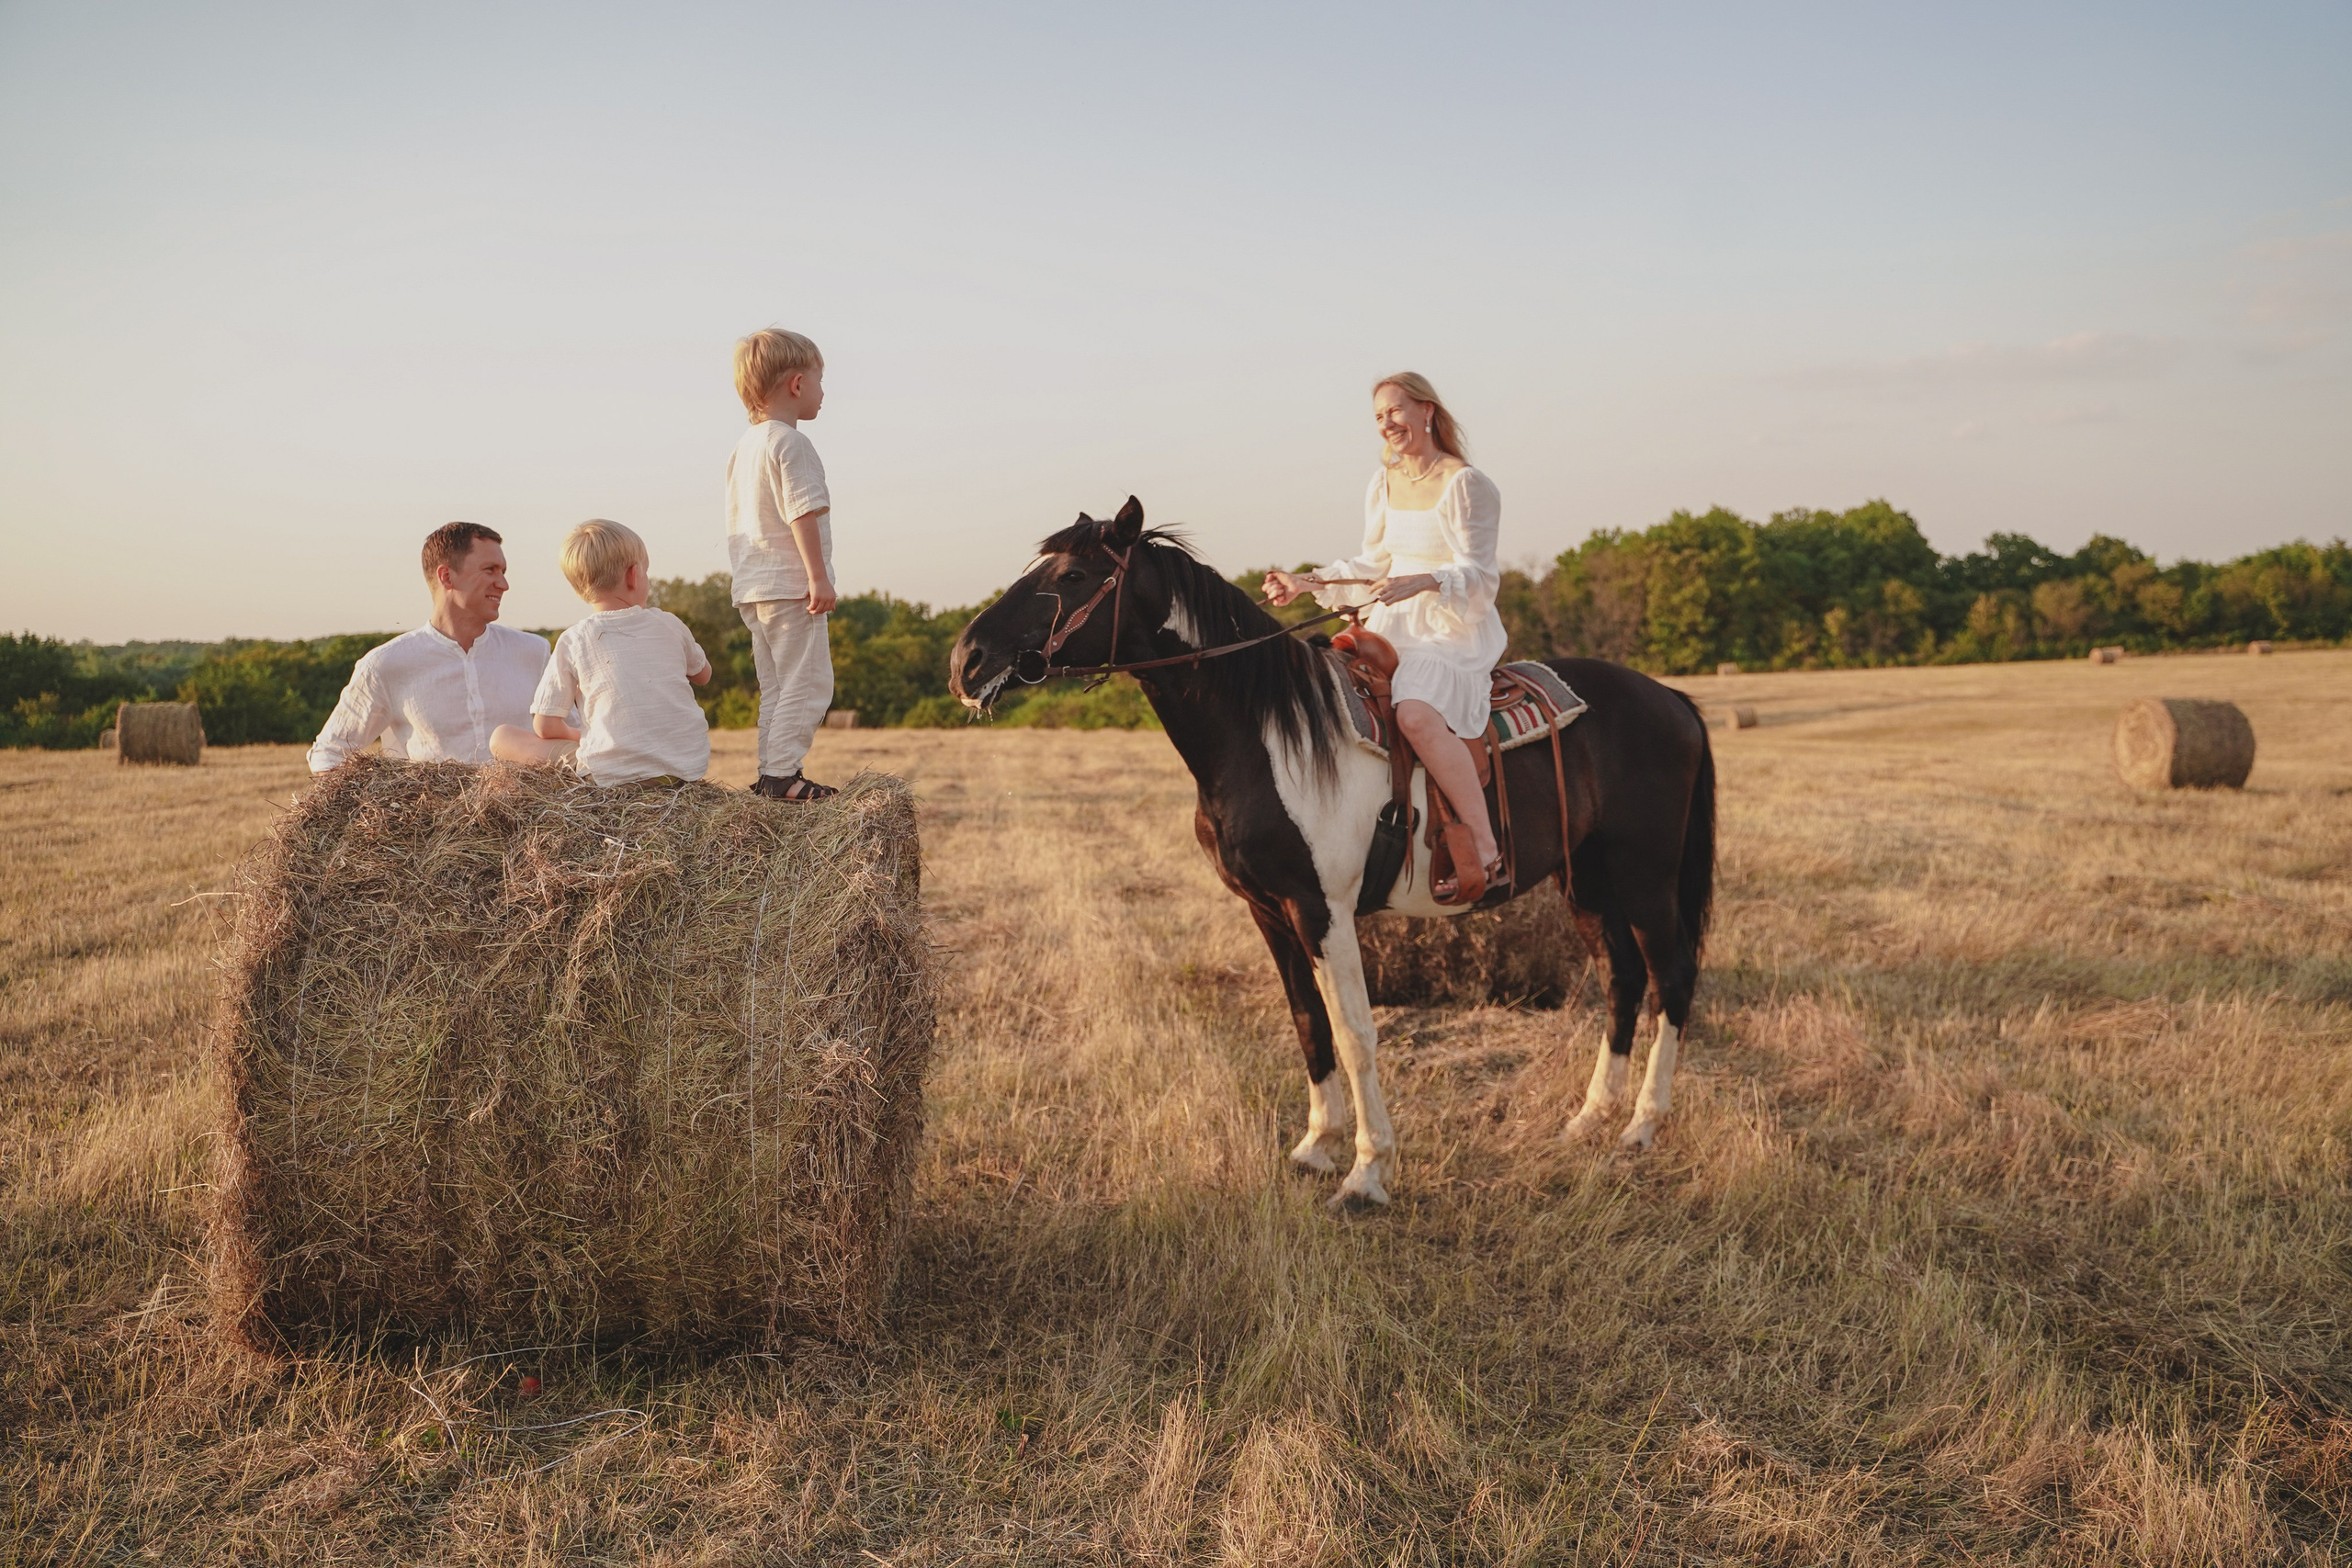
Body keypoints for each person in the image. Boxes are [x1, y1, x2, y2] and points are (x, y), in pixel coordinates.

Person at [1264, 372, 1508, 900]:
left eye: (1395, 411)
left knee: (1415, 715)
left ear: (1427, 411)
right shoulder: (1383, 483)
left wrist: (1426, 579)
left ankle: (1486, 847)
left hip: (1449, 629)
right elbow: (1370, 563)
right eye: (1378, 417)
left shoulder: (1466, 483)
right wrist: (1305, 583)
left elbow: (1482, 576)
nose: (1386, 424)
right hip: (1389, 623)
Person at [309, 522, 552, 772]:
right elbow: (328, 755)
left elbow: (572, 743)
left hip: (526, 810)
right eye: (490, 570)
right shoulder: (385, 665)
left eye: (503, 571)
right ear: (446, 576)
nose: (503, 584)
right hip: (430, 810)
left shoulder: (534, 652)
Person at [490, 520, 713, 786]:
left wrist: (584, 735)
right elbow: (704, 676)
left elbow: (545, 726)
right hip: (686, 768)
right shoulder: (669, 623)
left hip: (610, 776)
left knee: (501, 738)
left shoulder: (573, 639)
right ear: (633, 575)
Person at [725, 327, 840, 802]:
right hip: (791, 585)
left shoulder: (745, 447)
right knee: (809, 683)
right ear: (796, 384)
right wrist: (818, 576)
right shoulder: (792, 444)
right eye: (819, 380)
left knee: (774, 686)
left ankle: (771, 774)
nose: (822, 391)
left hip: (753, 587)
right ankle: (782, 777)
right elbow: (801, 511)